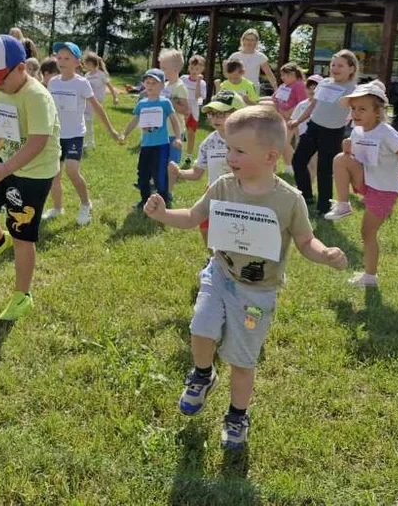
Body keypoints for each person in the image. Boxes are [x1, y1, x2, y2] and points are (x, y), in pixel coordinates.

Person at [144, 105, 346, 451]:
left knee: (241, 361)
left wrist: (325, 254)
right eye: (227, 148)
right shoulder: (223, 186)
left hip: (258, 293)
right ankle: (203, 376)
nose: (229, 156)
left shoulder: (289, 200)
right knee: (200, 328)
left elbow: (305, 241)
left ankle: (237, 415)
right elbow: (194, 217)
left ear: (270, 156)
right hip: (220, 273)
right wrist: (163, 215)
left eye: (238, 151)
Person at [0, 34, 61, 321]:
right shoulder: (5, 90)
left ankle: (22, 296)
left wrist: (4, 169)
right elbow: (3, 130)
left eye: (0, 78)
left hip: (35, 172)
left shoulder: (37, 97)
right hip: (10, 163)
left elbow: (37, 143)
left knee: (22, 236)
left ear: (21, 68)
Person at [322, 81, 398, 288]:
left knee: (367, 233)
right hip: (367, 181)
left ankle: (370, 277)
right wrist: (348, 151)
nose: (356, 113)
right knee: (340, 159)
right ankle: (343, 204)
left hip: (384, 188)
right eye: (354, 108)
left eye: (362, 109)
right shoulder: (357, 131)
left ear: (378, 111)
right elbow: (358, 158)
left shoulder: (387, 132)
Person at [42, 42, 121, 226]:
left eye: (67, 58)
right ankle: (58, 208)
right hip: (57, 136)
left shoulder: (82, 83)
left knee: (72, 171)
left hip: (75, 135)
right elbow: (49, 108)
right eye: (59, 57)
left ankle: (86, 204)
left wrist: (112, 131)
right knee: (55, 174)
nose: (61, 61)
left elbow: (97, 107)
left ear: (77, 62)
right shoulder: (53, 82)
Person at [289, 49, 359, 215]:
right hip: (313, 128)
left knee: (324, 170)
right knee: (298, 161)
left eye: (340, 65)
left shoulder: (354, 89)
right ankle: (306, 196)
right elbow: (313, 105)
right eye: (333, 64)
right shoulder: (325, 82)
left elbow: (358, 112)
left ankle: (324, 207)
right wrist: (298, 121)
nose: (335, 68)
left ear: (351, 69)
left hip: (333, 133)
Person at [169, 90, 244, 245]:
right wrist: (179, 172)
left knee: (237, 233)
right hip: (215, 191)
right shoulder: (209, 143)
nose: (215, 118)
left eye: (222, 114)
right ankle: (215, 260)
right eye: (212, 113)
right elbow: (197, 173)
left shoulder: (248, 139)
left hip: (242, 192)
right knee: (205, 228)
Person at [119, 68, 183, 210]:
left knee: (160, 174)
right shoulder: (142, 103)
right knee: (143, 174)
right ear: (144, 84)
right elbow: (135, 120)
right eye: (148, 82)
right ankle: (145, 200)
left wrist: (178, 138)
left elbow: (174, 120)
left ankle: (163, 202)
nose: (150, 86)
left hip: (161, 145)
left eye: (154, 83)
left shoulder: (165, 102)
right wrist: (124, 133)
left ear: (162, 86)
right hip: (146, 146)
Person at [271, 63, 308, 174]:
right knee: (282, 142)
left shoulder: (299, 85)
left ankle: (293, 166)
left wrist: (289, 113)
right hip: (282, 117)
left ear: (292, 74)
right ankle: (289, 166)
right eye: (281, 75)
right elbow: (274, 99)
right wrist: (278, 110)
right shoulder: (283, 86)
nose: (282, 78)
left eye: (284, 75)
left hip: (293, 119)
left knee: (284, 142)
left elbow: (303, 103)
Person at [160, 49, 191, 165]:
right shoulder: (164, 85)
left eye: (164, 68)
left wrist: (171, 102)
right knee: (160, 160)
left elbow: (186, 110)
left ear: (175, 69)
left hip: (174, 132)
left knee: (172, 162)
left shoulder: (180, 87)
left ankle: (170, 181)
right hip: (162, 130)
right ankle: (158, 181)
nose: (162, 71)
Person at [83, 52, 120, 149]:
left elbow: (110, 87)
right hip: (89, 100)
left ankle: (90, 142)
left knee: (87, 119)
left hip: (97, 100)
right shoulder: (86, 75)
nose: (86, 66)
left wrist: (115, 97)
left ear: (94, 64)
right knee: (87, 120)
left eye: (88, 64)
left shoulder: (101, 74)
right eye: (85, 64)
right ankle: (89, 141)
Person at [289, 74, 321, 183]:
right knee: (301, 163)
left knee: (313, 163)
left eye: (315, 88)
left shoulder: (323, 106)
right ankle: (302, 185)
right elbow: (295, 122)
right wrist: (297, 138)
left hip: (317, 140)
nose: (312, 90)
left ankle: (309, 186)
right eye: (309, 87)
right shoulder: (301, 105)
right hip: (302, 139)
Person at [181, 54, 208, 167]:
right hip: (181, 108)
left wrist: (197, 82)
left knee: (191, 133)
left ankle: (189, 157)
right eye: (192, 68)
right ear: (188, 68)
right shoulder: (183, 78)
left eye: (197, 69)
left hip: (193, 109)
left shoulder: (202, 83)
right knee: (177, 132)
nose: (194, 71)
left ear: (202, 70)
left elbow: (198, 97)